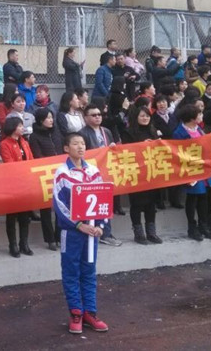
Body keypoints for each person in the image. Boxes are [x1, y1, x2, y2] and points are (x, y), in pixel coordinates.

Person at [53, 132, 109, 334]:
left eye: (83, 143)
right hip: (72, 232)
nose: (80, 147)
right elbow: (59, 204)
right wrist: (78, 225)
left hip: (91, 231)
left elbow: (103, 198)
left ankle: (90, 313)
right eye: (75, 143)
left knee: (89, 271)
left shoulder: (93, 171)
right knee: (71, 271)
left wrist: (101, 225)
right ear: (66, 148)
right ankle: (76, 313)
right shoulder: (62, 173)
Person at [78, 104, 123, 247]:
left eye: (99, 114)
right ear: (86, 118)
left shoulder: (107, 131)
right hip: (90, 174)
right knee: (93, 204)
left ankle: (105, 232)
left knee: (105, 204)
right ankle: (95, 232)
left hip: (106, 172)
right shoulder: (82, 134)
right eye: (93, 115)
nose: (97, 117)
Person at [172, 105, 211, 241]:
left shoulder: (199, 130)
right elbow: (177, 153)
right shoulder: (179, 132)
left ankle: (204, 225)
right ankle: (192, 227)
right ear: (192, 117)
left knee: (203, 197)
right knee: (193, 198)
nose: (201, 116)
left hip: (203, 168)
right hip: (190, 169)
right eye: (199, 114)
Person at [121, 106, 163, 245]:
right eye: (142, 116)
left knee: (151, 204)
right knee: (137, 204)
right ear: (136, 117)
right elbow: (126, 152)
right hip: (136, 172)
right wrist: (141, 146)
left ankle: (151, 233)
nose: (145, 118)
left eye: (147, 116)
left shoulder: (153, 131)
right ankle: (138, 234)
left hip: (151, 171)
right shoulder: (128, 132)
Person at [0, 117, 35, 258]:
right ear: (13, 127)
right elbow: (9, 163)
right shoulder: (5, 143)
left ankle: (24, 243)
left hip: (26, 182)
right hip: (13, 183)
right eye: (20, 126)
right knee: (12, 216)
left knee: (24, 216)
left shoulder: (24, 142)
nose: (22, 128)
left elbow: (31, 159)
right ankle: (13, 245)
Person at [29, 108, 62, 250]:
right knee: (45, 209)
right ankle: (50, 239)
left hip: (60, 173)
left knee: (61, 206)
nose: (51, 120)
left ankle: (59, 236)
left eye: (51, 117)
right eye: (48, 118)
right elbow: (37, 155)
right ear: (41, 120)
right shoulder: (34, 136)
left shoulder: (56, 132)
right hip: (44, 174)